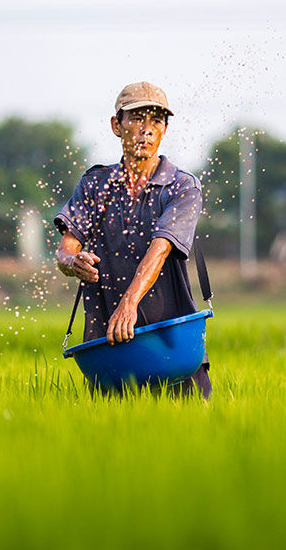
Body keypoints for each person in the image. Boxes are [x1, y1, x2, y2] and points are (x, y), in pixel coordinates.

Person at [54, 82, 211, 398]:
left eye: (156, 121)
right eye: (137, 119)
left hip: (173, 343)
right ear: (117, 125)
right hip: (109, 346)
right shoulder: (95, 185)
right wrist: (73, 262)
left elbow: (160, 248)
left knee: (192, 439)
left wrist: (129, 303)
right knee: (114, 442)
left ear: (165, 129)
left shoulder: (181, 187)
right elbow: (66, 248)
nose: (147, 130)